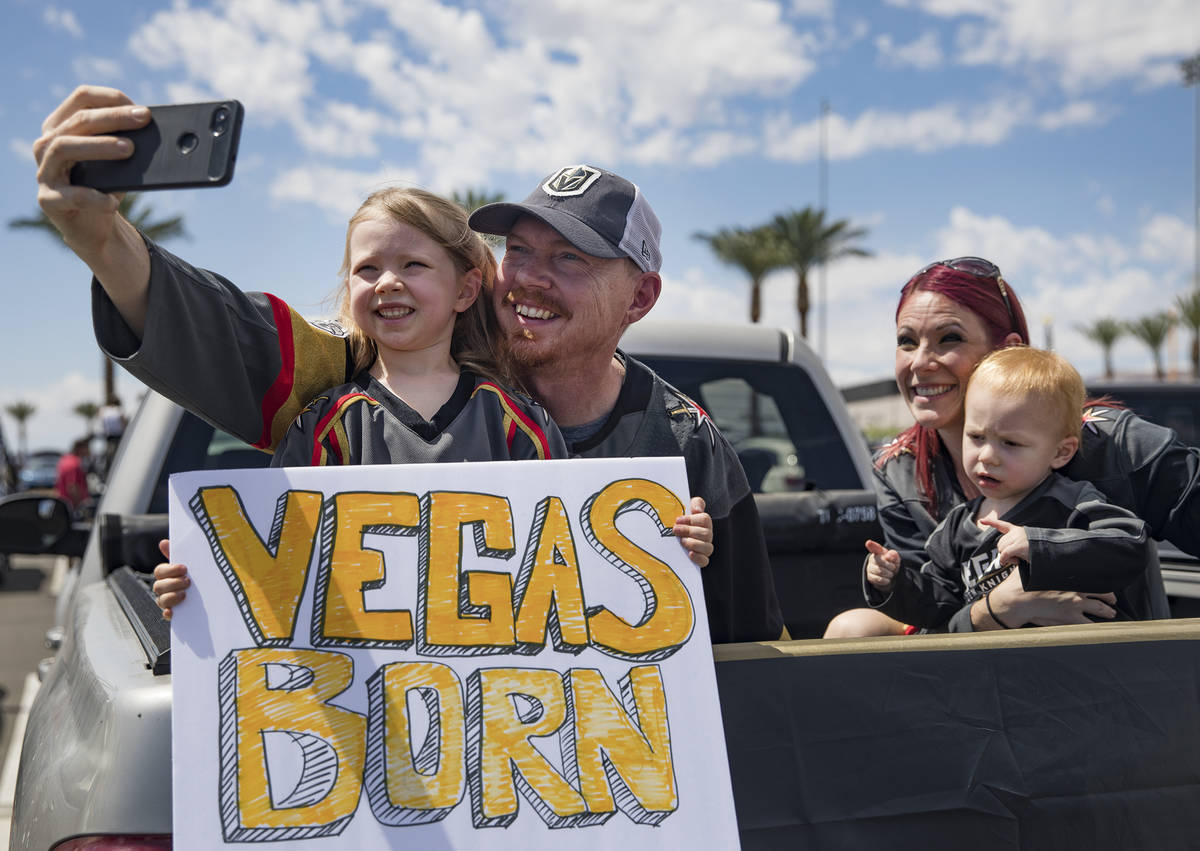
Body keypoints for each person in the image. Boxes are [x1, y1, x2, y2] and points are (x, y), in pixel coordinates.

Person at [35, 87, 773, 643]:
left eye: (570, 259)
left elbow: (741, 654)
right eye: (519, 250)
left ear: (640, 295)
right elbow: (212, 328)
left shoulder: (686, 444)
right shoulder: (363, 368)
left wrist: (672, 561)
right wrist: (96, 234)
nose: (529, 277)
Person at [825, 256, 1191, 637]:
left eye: (949, 337)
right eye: (906, 341)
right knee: (852, 630)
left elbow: (1128, 541)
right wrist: (999, 608)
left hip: (1110, 669)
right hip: (985, 672)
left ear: (1006, 351)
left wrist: (1043, 551)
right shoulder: (899, 469)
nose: (920, 362)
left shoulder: (1107, 441)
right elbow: (934, 612)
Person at [864, 346, 1152, 631]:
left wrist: (1040, 546)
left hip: (1076, 667)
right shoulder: (954, 529)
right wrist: (893, 583)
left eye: (1011, 443)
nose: (987, 455)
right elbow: (941, 610)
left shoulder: (1071, 504)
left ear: (1061, 453)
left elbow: (1129, 544)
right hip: (995, 671)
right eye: (976, 436)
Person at [55, 437, 91, 512]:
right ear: (80, 448)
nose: (89, 451)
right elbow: (72, 487)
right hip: (73, 507)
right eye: (87, 448)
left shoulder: (64, 459)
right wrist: (82, 505)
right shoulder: (74, 463)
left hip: (64, 504)